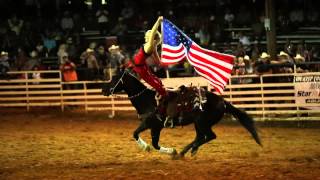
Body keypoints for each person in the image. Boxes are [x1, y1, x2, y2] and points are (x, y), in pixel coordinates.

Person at [130, 16, 166, 97]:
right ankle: (161, 93)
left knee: (155, 83)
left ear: (151, 38)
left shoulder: (150, 46)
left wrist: (158, 21)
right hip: (140, 66)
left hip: (140, 68)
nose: (144, 37)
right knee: (156, 81)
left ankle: (164, 95)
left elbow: (153, 32)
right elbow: (157, 59)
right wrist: (161, 63)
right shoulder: (153, 46)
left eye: (146, 36)